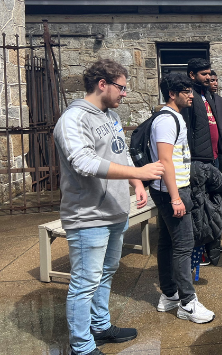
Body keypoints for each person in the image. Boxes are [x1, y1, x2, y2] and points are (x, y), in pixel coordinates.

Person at [53, 59, 165, 355]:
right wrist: (141, 173)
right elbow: (83, 162)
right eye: (121, 87)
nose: (125, 93)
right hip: (88, 216)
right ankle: (82, 346)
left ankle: (100, 327)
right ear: (102, 84)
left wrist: (136, 183)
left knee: (105, 273)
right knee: (84, 283)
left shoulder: (110, 116)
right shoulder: (73, 119)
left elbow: (122, 153)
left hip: (115, 212)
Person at [150, 72, 215, 323]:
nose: (191, 95)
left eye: (191, 90)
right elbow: (165, 160)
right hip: (172, 191)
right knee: (184, 246)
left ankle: (169, 295)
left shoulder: (174, 117)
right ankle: (187, 303)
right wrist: (176, 197)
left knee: (168, 242)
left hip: (172, 189)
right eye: (186, 91)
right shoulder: (166, 120)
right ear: (172, 94)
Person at [183, 58, 222, 169]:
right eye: (204, 74)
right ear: (192, 75)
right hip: (199, 158)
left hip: (215, 154)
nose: (208, 77)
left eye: (209, 74)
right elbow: (187, 128)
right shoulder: (188, 96)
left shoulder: (207, 94)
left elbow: (220, 121)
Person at [209, 70, 222, 171]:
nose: (215, 83)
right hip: (206, 151)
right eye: (212, 81)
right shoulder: (199, 99)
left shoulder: (219, 100)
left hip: (218, 147)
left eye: (216, 80)